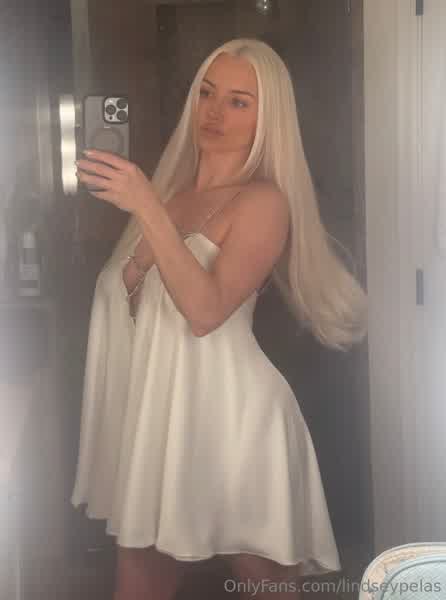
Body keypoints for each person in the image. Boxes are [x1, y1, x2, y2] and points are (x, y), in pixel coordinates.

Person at [71, 38, 367, 600]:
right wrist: (149, 206)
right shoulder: (168, 194)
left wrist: (145, 206)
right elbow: (128, 310)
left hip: (235, 418)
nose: (214, 112)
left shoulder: (262, 202)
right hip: (161, 419)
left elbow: (205, 312)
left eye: (238, 101)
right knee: (139, 576)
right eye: (206, 93)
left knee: (267, 586)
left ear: (266, 117)